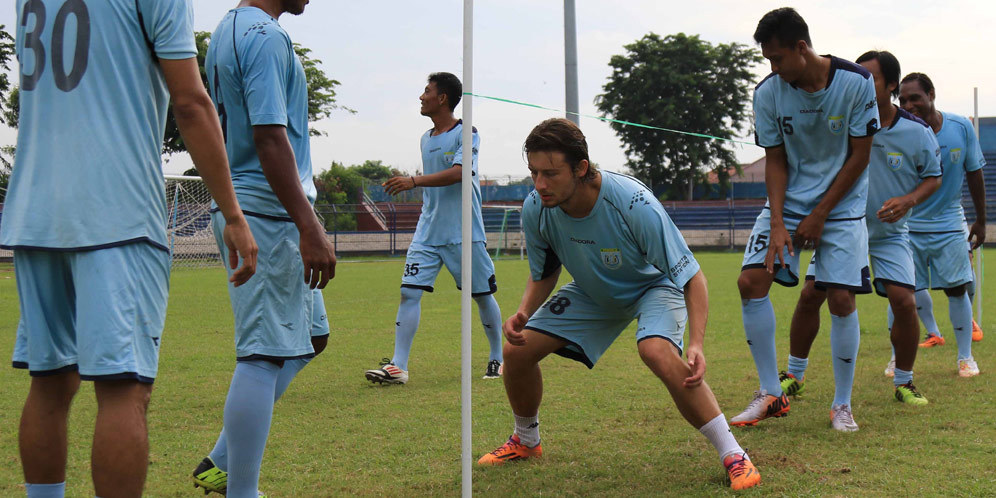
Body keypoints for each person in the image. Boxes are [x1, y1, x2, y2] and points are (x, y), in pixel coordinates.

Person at [1, 1, 258, 496]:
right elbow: (191, 102)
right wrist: (233, 213)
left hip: (34, 207)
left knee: (50, 382)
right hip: (115, 210)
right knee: (124, 390)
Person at [477, 118, 761, 491]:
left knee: (656, 351)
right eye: (533, 173)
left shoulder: (632, 202)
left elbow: (692, 277)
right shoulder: (537, 207)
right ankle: (526, 441)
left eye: (550, 173)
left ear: (580, 168)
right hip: (594, 292)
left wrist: (695, 343)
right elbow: (545, 269)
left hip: (654, 285)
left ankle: (734, 455)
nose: (540, 184)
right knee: (517, 352)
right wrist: (524, 312)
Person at [190, 1, 337, 496]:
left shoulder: (228, 29)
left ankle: (219, 461)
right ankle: (241, 489)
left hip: (256, 210)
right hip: (266, 217)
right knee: (261, 356)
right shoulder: (266, 37)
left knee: (312, 337)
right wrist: (309, 225)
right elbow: (270, 138)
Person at [732, 7, 879, 431]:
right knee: (750, 281)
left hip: (845, 204)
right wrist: (778, 222)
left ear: (802, 48)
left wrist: (820, 215)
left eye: (777, 58)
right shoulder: (768, 93)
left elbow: (860, 155)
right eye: (768, 61)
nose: (773, 69)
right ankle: (770, 393)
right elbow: (775, 160)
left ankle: (842, 405)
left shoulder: (856, 82)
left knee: (840, 297)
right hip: (790, 203)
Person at [780, 50, 941, 407]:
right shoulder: (839, 120)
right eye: (859, 77)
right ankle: (794, 374)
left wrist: (908, 200)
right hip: (841, 227)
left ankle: (904, 381)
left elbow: (934, 177)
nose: (862, 85)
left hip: (888, 233)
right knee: (810, 296)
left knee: (904, 300)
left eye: (871, 79)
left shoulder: (916, 132)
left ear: (891, 86)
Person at [364, 72, 503, 385]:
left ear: (442, 98)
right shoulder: (426, 138)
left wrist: (413, 180)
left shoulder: (466, 132)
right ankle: (398, 366)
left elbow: (459, 172)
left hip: (463, 232)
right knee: (408, 292)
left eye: (426, 91)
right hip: (428, 231)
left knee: (481, 295)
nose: (421, 97)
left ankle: (498, 358)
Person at [897, 72, 986, 377]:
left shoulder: (960, 127)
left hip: (949, 222)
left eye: (915, 98)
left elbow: (974, 173)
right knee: (901, 292)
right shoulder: (899, 130)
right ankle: (900, 358)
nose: (909, 105)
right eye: (903, 100)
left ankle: (965, 357)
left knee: (957, 289)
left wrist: (981, 220)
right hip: (907, 227)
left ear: (931, 94)